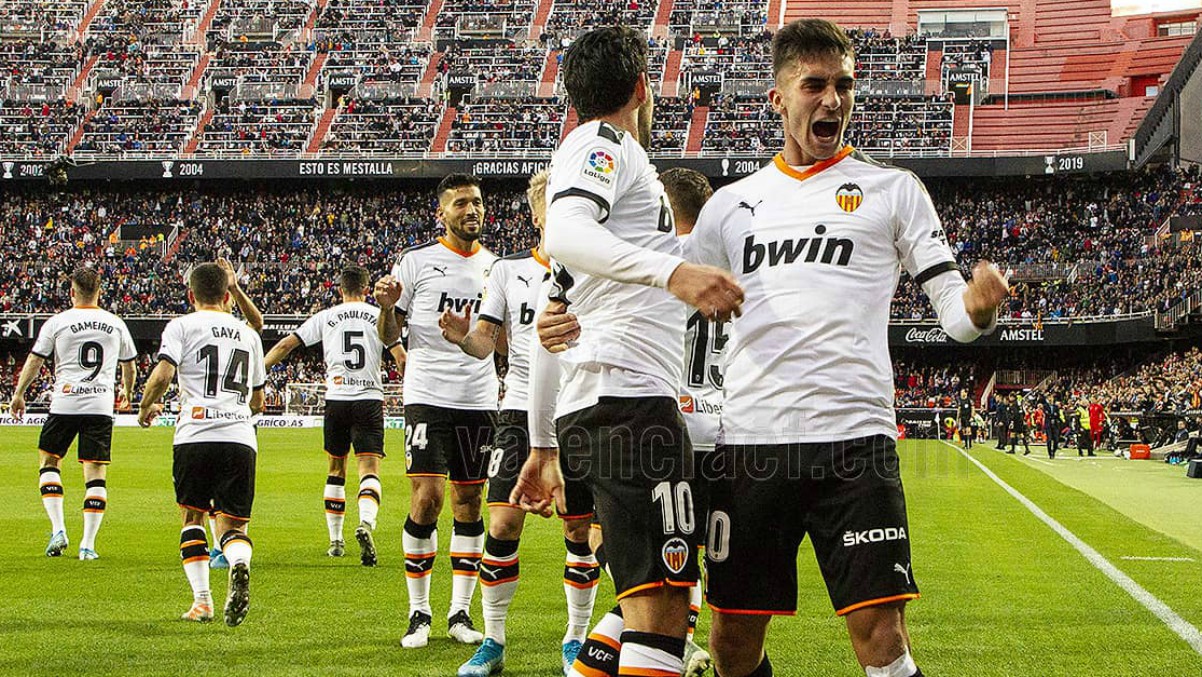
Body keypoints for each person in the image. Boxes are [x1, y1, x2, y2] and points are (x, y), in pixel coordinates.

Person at [681, 19, 1008, 677]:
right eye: (815, 85)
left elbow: (953, 314)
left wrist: (975, 309)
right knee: (731, 641)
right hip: (750, 446)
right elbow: (674, 305)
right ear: (779, 98)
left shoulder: (895, 191)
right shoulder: (730, 207)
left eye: (844, 85)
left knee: (881, 637)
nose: (831, 100)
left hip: (854, 442)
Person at [511, 25, 744, 677]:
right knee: (665, 607)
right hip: (632, 405)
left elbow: (552, 321)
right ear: (644, 88)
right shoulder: (605, 144)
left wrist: (541, 444)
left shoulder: (612, 192)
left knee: (643, 598)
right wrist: (672, 275)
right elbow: (564, 229)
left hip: (595, 409)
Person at [556, 167, 724, 677]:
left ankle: (597, 665)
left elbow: (558, 329)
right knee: (672, 586)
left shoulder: (626, 266)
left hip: (628, 420)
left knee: (656, 582)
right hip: (711, 433)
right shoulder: (719, 259)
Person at [438, 170, 600, 677]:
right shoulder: (508, 272)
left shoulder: (597, 272)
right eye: (556, 208)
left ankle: (575, 640)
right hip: (519, 413)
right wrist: (465, 339)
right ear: (537, 216)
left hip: (579, 410)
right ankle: (493, 641)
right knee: (503, 522)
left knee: (578, 526)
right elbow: (487, 341)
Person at [376, 174, 499, 649]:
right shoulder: (417, 262)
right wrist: (388, 308)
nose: (473, 210)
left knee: (470, 503)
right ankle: (418, 611)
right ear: (442, 214)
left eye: (478, 202)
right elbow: (390, 332)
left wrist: (470, 337)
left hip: (479, 398)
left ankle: (459, 612)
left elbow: (498, 343)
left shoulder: (495, 269)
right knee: (427, 498)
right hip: (428, 394)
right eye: (462, 203)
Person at [137, 262, 267, 626]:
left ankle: (203, 601)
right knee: (233, 528)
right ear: (227, 296)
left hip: (194, 434)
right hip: (240, 437)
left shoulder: (181, 326)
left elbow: (163, 374)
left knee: (192, 517)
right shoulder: (249, 336)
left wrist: (146, 406)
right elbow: (258, 401)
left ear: (191, 295)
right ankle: (239, 562)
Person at [264, 266, 406, 563]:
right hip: (368, 398)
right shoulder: (380, 317)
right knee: (369, 469)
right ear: (368, 289)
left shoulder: (326, 317)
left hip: (336, 400)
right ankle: (366, 522)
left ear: (340, 289)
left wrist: (257, 371)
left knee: (336, 469)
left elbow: (285, 344)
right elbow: (401, 358)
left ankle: (336, 540)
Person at [10, 267, 137, 560]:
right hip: (100, 406)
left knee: (49, 461)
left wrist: (18, 394)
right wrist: (127, 392)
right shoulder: (114, 323)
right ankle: (88, 545)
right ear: (99, 292)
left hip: (64, 403)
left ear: (72, 292)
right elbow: (129, 366)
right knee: (95, 475)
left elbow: (35, 360)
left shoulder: (59, 322)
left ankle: (58, 529)